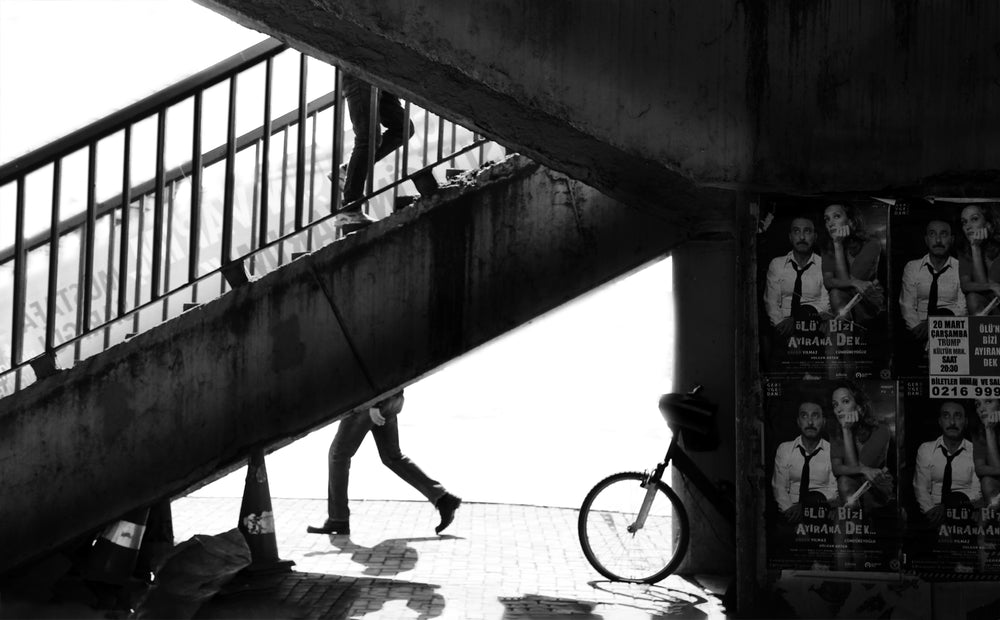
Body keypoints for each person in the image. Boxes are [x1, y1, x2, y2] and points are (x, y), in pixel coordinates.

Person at [307, 390, 461, 536]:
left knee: (338, 455)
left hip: (369, 403)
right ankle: (443, 499)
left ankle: (338, 518)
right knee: (392, 457)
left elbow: (371, 369)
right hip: (391, 399)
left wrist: (376, 404)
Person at [332, 73, 416, 235]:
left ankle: (346, 172)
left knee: (404, 128)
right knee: (367, 138)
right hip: (360, 73)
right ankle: (350, 209)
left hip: (380, 75)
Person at [899, 218, 967, 344]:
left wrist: (934, 326)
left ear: (952, 239)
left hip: (951, 332)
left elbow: (962, 309)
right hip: (918, 332)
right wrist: (919, 330)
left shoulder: (961, 267)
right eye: (932, 234)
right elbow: (907, 305)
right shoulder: (912, 267)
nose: (938, 240)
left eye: (944, 234)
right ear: (926, 240)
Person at [827, 380, 893, 510]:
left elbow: (853, 471)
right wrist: (863, 469)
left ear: (860, 408)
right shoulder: (836, 432)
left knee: (844, 483)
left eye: (845, 401)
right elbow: (837, 468)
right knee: (843, 485)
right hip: (848, 488)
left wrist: (847, 431)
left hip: (876, 488)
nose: (838, 409)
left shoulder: (881, 430)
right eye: (835, 405)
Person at [912, 400, 981, 525]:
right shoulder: (926, 449)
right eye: (946, 416)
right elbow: (921, 488)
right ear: (940, 421)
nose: (952, 422)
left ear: (965, 422)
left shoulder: (976, 451)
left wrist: (950, 509)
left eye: (957, 416)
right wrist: (932, 513)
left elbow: (977, 492)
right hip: (932, 514)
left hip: (965, 513)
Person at [772, 399, 838, 524]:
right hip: (789, 513)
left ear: (823, 422)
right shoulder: (785, 449)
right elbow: (779, 487)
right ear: (798, 422)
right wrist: (791, 512)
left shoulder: (832, 451)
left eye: (815, 416)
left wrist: (806, 508)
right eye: (804, 416)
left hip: (820, 511)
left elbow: (833, 490)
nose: (810, 422)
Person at [820, 204, 884, 325]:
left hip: (866, 300)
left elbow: (845, 285)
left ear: (851, 222)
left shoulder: (872, 245)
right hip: (838, 301)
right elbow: (828, 281)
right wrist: (853, 281)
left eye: (836, 216)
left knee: (836, 294)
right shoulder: (828, 245)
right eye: (827, 219)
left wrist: (838, 245)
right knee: (834, 297)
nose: (830, 223)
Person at [958, 204, 1000, 315]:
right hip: (992, 304)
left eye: (974, 219)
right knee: (972, 298)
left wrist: (992, 285)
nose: (968, 226)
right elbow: (965, 285)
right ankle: (982, 331)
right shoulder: (965, 250)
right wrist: (975, 248)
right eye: (964, 222)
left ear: (988, 225)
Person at [973, 398, 1000, 507]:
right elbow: (979, 469)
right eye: (977, 404)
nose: (981, 409)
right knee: (987, 482)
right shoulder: (979, 431)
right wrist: (989, 430)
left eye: (988, 401)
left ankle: (980, 524)